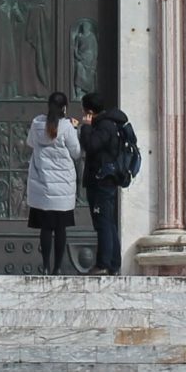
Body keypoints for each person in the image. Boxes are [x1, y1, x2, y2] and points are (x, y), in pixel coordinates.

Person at [78, 92, 136, 277]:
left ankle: (103, 264)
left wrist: (86, 127)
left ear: (88, 110)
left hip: (101, 180)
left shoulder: (105, 126)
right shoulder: (109, 124)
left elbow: (92, 145)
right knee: (108, 222)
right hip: (106, 179)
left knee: (103, 222)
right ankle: (113, 264)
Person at [26, 90, 83, 274]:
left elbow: (30, 143)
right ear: (64, 108)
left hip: (43, 185)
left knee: (45, 228)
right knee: (60, 229)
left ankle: (44, 265)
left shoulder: (37, 125)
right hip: (62, 188)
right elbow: (76, 152)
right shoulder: (67, 127)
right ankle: (57, 267)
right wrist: (75, 128)